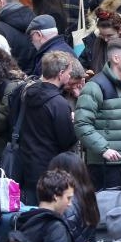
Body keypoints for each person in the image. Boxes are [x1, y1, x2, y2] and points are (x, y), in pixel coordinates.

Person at [74, 38, 121, 191]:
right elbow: (82, 123)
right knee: (107, 210)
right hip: (105, 165)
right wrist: (104, 149)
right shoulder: (95, 86)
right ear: (116, 58)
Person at [13, 51, 79, 204]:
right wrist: (73, 122)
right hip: (50, 169)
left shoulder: (26, 93)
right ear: (61, 73)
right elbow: (67, 141)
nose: (70, 76)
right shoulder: (59, 104)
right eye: (69, 72)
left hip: (26, 164)